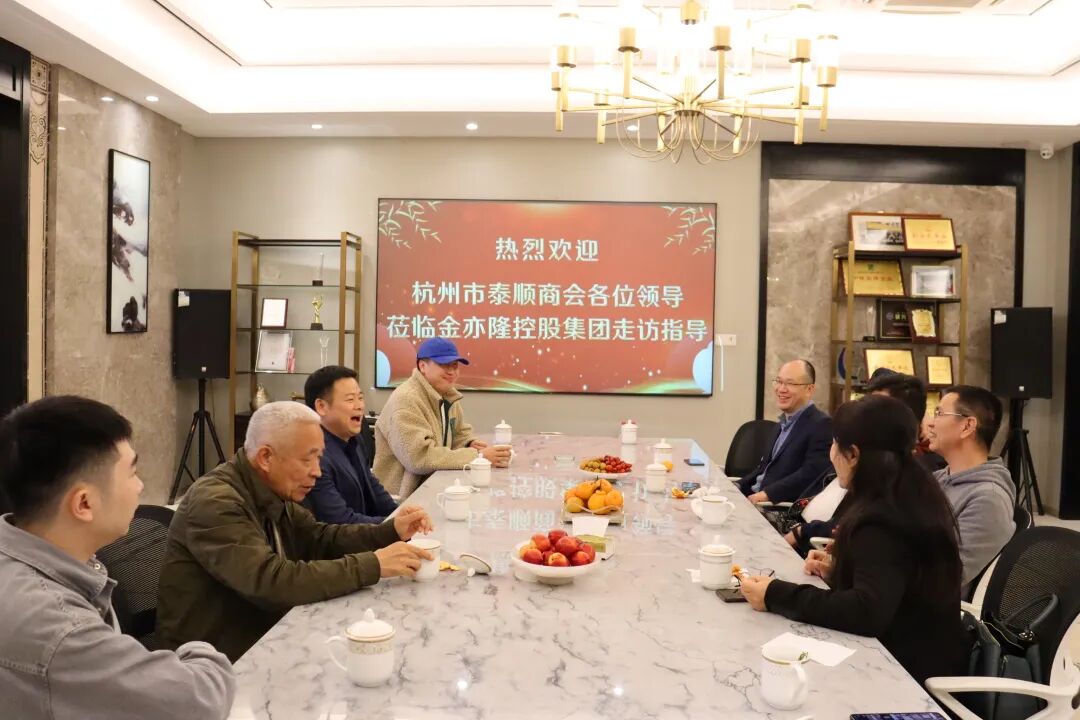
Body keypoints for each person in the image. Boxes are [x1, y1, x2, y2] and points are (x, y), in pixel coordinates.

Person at [0, 396, 236, 720]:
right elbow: (199, 701)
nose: (140, 486)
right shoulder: (60, 629)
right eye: (132, 473)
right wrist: (201, 648)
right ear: (84, 503)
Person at [157, 401, 435, 662]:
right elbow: (270, 582)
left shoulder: (269, 489)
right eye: (307, 460)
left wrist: (389, 532)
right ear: (266, 457)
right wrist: (373, 565)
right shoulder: (216, 502)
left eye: (319, 459)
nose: (317, 472)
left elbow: (321, 538)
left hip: (262, 634)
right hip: (213, 661)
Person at [739, 395, 970, 686]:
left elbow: (866, 612)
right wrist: (843, 569)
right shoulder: (910, 489)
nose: (831, 453)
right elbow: (894, 578)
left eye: (835, 443)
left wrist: (775, 594)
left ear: (854, 455)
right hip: (913, 647)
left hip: (904, 674)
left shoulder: (883, 516)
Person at [783, 370, 945, 555]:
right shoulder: (862, 459)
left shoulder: (901, 482)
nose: (864, 415)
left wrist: (804, 532)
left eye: (876, 409)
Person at [374, 337, 511, 497]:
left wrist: (469, 443)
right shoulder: (406, 400)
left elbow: (459, 432)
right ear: (422, 366)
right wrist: (477, 457)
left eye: (455, 366)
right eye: (444, 365)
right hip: (402, 499)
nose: (451, 372)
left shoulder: (446, 394)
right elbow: (419, 458)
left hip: (436, 487)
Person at [927, 384, 1015, 596]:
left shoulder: (988, 499)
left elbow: (944, 577)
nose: (930, 422)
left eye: (939, 413)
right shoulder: (938, 479)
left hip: (926, 606)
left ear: (967, 426)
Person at [304, 365, 397, 524]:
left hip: (366, 531)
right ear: (321, 406)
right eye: (350, 399)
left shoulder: (355, 438)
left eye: (360, 398)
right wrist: (394, 525)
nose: (359, 406)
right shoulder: (314, 456)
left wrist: (399, 513)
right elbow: (339, 521)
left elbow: (372, 486)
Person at [738, 359, 833, 504]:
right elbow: (763, 471)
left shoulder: (822, 425)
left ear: (809, 389)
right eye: (779, 381)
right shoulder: (782, 423)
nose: (781, 389)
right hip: (754, 499)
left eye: (790, 383)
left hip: (774, 507)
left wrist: (766, 495)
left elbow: (811, 475)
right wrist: (736, 486)